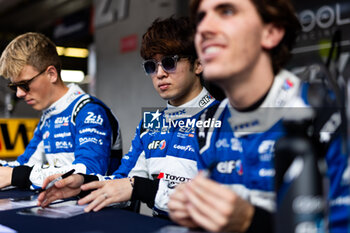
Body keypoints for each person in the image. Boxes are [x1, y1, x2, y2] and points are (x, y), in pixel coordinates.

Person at [168, 0, 349, 232]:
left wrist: (251, 222)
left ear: (270, 33)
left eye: (227, 11)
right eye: (201, 17)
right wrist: (193, 208)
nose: (204, 28)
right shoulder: (208, 123)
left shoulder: (329, 116)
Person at [37, 17, 220, 218]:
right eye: (152, 66)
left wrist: (142, 189)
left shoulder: (227, 119)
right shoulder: (152, 121)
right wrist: (84, 184)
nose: (159, 74)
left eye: (169, 63)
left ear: (198, 64)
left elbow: (224, 203)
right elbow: (124, 181)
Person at [0, 32, 122, 189]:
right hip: (68, 208)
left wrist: (19, 175)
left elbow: (87, 172)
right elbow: (23, 165)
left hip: (102, 211)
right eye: (14, 87)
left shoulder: (89, 111)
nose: (19, 94)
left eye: (24, 84)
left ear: (51, 74)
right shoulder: (49, 115)